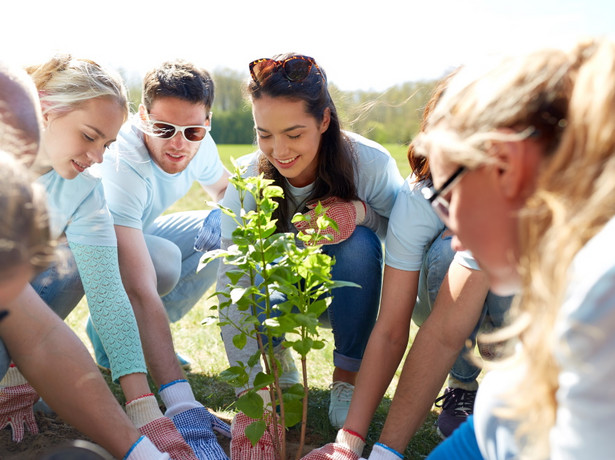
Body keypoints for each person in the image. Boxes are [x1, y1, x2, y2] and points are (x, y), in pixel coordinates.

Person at [415, 38, 615, 459]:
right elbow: (490, 433)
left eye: (447, 198)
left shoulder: (602, 293)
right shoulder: (566, 276)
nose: (453, 233)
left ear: (505, 166)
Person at [302, 73, 513, 460]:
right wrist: (368, 447)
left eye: (464, 194)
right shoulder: (463, 210)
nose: (455, 225)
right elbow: (441, 335)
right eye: (444, 199)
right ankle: (470, 388)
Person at [217, 53, 404, 456]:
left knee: (359, 243)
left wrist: (357, 212)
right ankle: (277, 364)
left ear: (324, 121)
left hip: (350, 289)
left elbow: (403, 235)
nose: (279, 150)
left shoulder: (370, 163)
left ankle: (346, 377)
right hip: (283, 293)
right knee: (254, 269)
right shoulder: (249, 178)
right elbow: (233, 283)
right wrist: (252, 395)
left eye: (294, 133)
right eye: (264, 134)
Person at [0, 62, 169, 460]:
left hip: (16, 306)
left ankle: (16, 372)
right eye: (89, 136)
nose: (96, 156)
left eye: (107, 145)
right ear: (45, 109)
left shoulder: (83, 191)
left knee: (76, 257)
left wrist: (142, 415)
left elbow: (104, 297)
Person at [90, 58, 232, 458]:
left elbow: (225, 191)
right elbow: (137, 288)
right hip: (88, 250)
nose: (178, 143)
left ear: (207, 123)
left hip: (137, 233)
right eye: (164, 128)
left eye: (193, 130)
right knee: (163, 264)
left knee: (224, 232)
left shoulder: (198, 145)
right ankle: (129, 347)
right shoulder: (123, 164)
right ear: (141, 117)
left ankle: (140, 343)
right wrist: (180, 399)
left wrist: (225, 212)